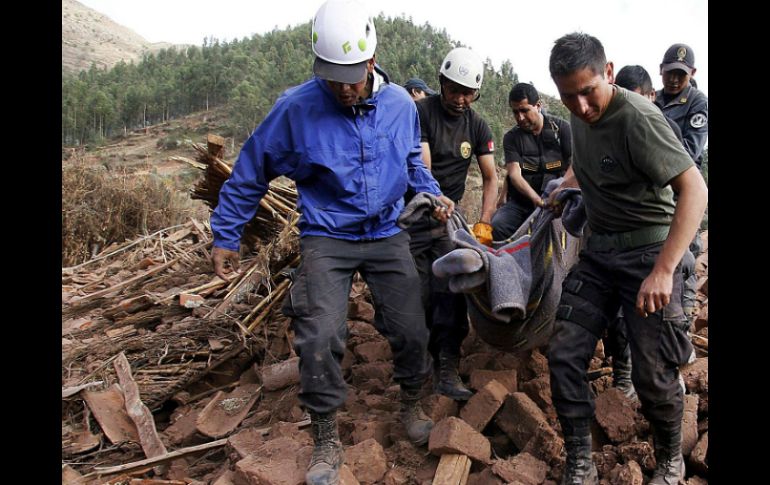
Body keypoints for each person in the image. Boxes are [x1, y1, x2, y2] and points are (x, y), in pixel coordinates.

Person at [209, 2, 454, 484]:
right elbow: (250, 170)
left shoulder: (401, 105)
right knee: (319, 337)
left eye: (353, 76)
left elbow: (411, 163)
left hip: (386, 232)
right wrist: (226, 234)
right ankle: (325, 435)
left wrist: (430, 190)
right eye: (333, 77)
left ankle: (410, 403)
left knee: (411, 329)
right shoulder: (296, 109)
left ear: (372, 60)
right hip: (327, 235)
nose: (345, 88)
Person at [545, 33, 707, 485]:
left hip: (649, 253)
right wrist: (566, 187)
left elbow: (695, 190)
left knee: (653, 372)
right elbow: (587, 162)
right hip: (600, 254)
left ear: (609, 73)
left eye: (587, 92)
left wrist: (663, 270)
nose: (579, 106)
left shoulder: (639, 118)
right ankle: (581, 459)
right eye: (567, 96)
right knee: (564, 353)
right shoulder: (579, 116)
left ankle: (670, 458)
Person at [407, 46, 498, 400]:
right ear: (441, 83)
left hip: (449, 220)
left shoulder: (477, 124)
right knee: (414, 291)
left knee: (451, 288)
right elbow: (423, 165)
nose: (460, 99)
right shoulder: (421, 112)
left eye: (468, 92)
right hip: (415, 213)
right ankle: (415, 362)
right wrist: (433, 198)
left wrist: (485, 221)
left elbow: (491, 176)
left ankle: (447, 364)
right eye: (454, 90)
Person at [490, 82, 572, 241]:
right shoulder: (511, 138)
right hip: (521, 203)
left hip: (555, 202)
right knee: (497, 226)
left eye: (524, 110)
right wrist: (537, 200)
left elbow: (574, 167)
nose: (520, 117)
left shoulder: (562, 129)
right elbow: (514, 174)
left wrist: (558, 194)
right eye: (515, 112)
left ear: (538, 105)